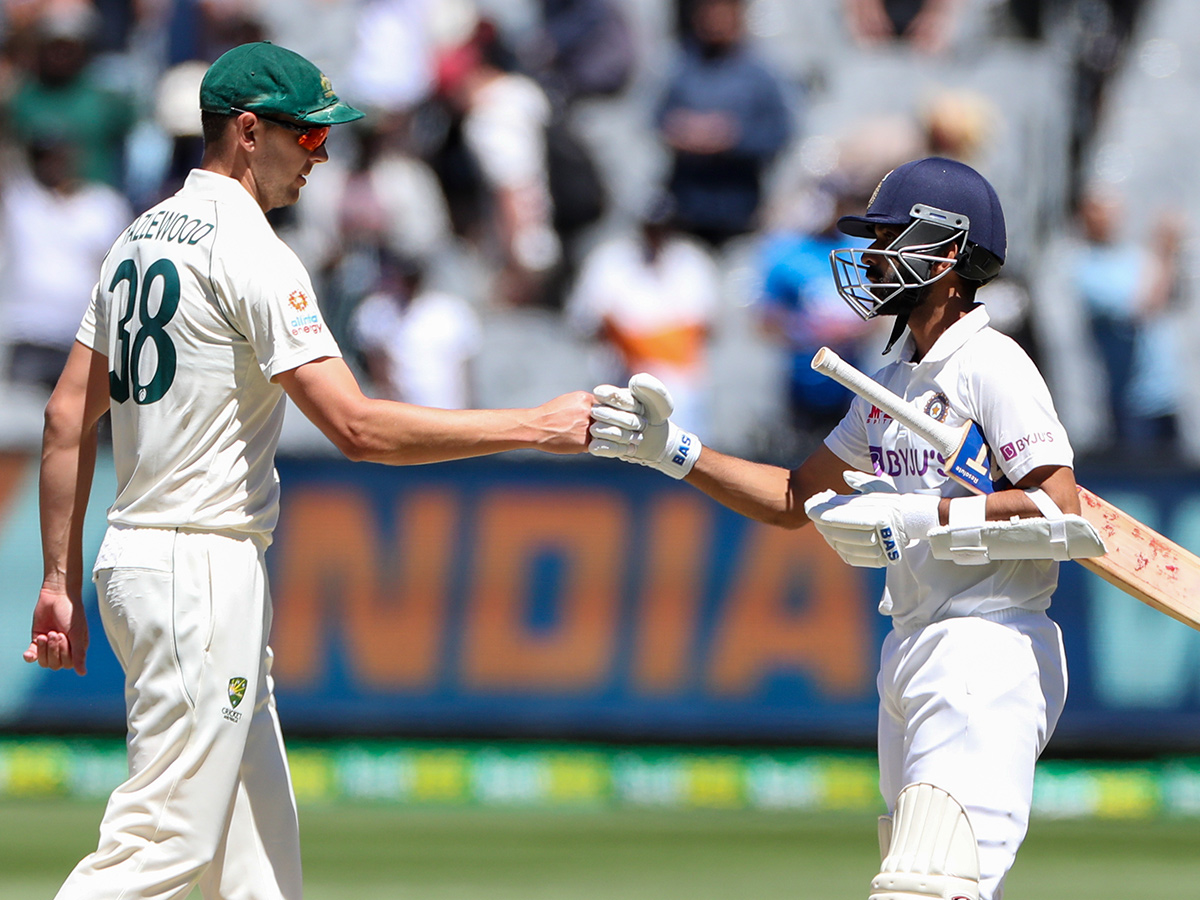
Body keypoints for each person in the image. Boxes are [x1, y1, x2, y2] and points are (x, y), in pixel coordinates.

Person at [22, 41, 592, 900]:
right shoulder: (252, 252)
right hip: (198, 569)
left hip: (146, 561)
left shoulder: (138, 237)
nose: (321, 159)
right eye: (309, 138)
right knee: (160, 849)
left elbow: (67, 413)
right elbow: (358, 427)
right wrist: (536, 425)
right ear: (249, 132)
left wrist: (58, 579)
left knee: (257, 871)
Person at [588, 157, 1093, 900]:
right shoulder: (889, 384)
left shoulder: (993, 364)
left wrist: (921, 515)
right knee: (931, 878)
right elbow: (795, 495)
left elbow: (1059, 508)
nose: (874, 254)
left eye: (892, 237)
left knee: (928, 886)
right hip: (912, 647)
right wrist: (674, 453)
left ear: (948, 254)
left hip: (989, 648)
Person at [564, 194, 720, 432]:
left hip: (681, 393)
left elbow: (702, 327)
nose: (656, 236)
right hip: (620, 386)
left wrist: (640, 338)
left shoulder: (691, 263)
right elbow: (587, 320)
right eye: (651, 228)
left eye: (663, 228)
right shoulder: (610, 261)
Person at [655, 0, 793, 247]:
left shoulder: (759, 75)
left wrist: (732, 137)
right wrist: (681, 131)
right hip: (686, 206)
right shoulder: (681, 68)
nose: (714, 22)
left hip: (739, 208)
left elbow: (780, 132)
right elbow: (656, 119)